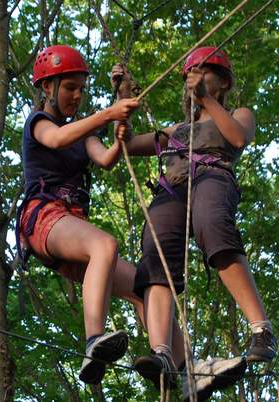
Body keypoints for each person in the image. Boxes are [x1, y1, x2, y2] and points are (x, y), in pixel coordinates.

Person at [16, 45, 187, 385]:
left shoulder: (86, 135)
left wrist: (120, 123)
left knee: (143, 285)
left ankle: (183, 372)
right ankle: (93, 341)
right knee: (105, 245)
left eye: (81, 88)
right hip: (44, 218)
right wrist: (108, 114)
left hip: (71, 230)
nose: (77, 96)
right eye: (69, 88)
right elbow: (58, 137)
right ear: (47, 87)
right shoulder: (40, 122)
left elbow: (108, 159)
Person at [113, 47, 276, 396]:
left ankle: (261, 329)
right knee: (156, 251)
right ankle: (163, 354)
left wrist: (208, 100)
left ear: (223, 82)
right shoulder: (175, 131)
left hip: (212, 176)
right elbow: (124, 146)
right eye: (193, 73)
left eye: (206, 73)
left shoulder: (238, 113)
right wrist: (122, 98)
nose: (197, 78)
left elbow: (237, 138)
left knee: (211, 224)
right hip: (172, 188)